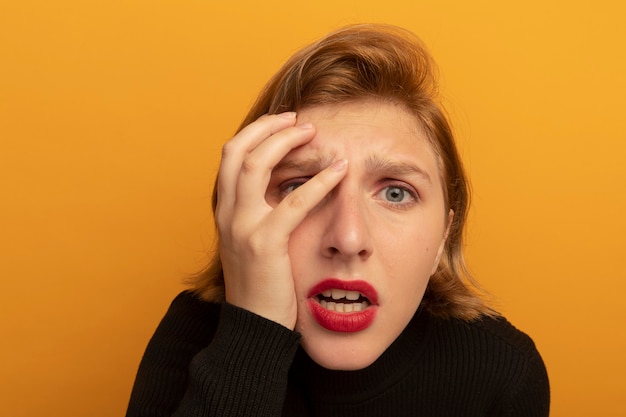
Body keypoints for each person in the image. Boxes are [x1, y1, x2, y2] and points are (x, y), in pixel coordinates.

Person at [126, 23, 550, 417]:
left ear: (444, 232)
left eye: (396, 193)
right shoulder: (195, 334)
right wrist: (251, 336)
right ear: (243, 217)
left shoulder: (503, 372)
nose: (348, 238)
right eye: (299, 188)